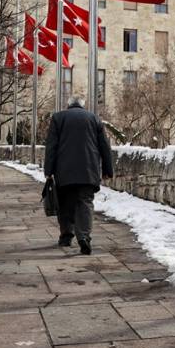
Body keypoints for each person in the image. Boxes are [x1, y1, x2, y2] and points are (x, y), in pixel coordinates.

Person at [43, 95, 114, 255]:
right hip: (88, 170)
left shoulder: (58, 118)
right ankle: (84, 237)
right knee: (85, 203)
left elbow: (51, 147)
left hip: (64, 170)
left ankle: (66, 236)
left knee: (65, 203)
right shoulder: (94, 119)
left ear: (68, 105)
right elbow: (105, 146)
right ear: (82, 105)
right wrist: (108, 170)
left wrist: (49, 171)